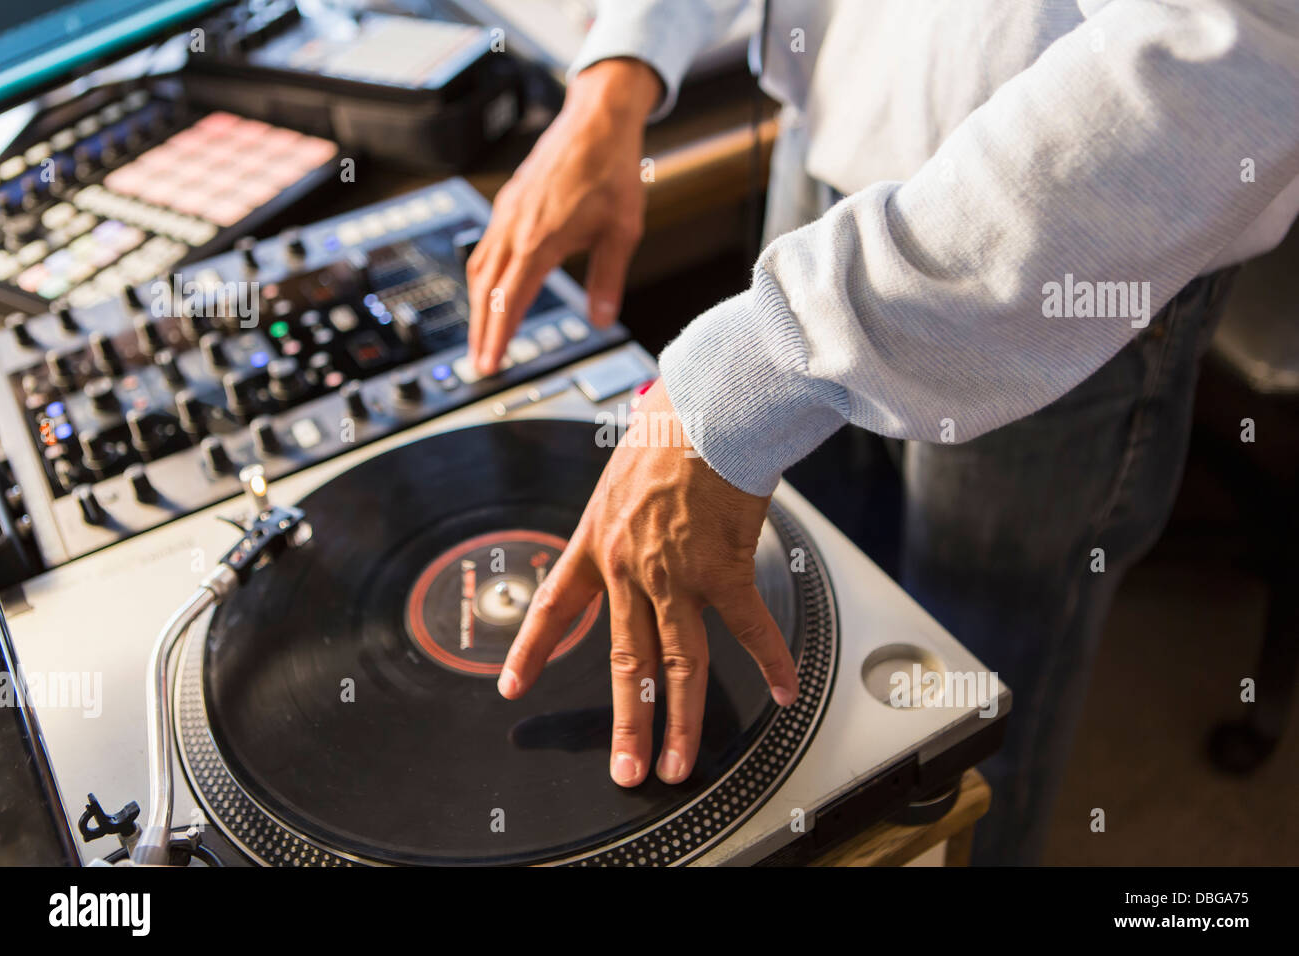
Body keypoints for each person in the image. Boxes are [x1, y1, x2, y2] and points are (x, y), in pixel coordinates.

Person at [465, 1, 1299, 864]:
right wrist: (624, 67)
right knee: (803, 663)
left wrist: (742, 376)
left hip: (1056, 253)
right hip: (832, 145)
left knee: (953, 739)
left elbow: (1222, 54)